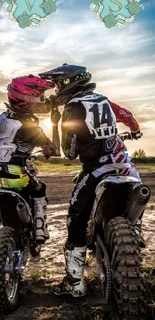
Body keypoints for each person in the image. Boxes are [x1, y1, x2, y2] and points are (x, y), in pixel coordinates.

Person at [39, 64, 144, 297]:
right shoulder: (104, 100)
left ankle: (75, 284)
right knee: (137, 201)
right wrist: (135, 131)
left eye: (57, 84)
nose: (56, 90)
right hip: (126, 167)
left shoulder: (73, 108)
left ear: (68, 83)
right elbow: (126, 116)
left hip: (97, 171)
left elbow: (69, 152)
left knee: (75, 220)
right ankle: (136, 234)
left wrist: (56, 124)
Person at [0, 75, 57, 244]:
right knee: (39, 187)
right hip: (15, 174)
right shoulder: (30, 126)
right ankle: (40, 229)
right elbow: (51, 150)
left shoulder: (2, 118)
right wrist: (54, 125)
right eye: (40, 97)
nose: (42, 101)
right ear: (27, 99)